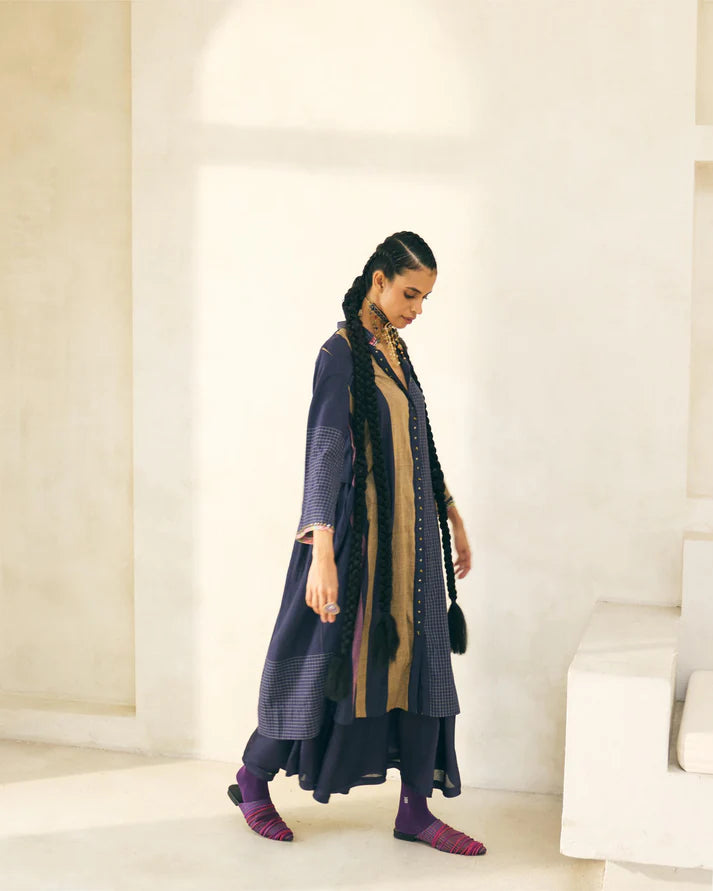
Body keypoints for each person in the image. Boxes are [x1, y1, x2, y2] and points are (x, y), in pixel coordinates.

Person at [227, 231, 486, 856]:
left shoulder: (394, 349)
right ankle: (252, 781)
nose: (416, 309)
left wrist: (451, 513)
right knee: (321, 667)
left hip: (412, 551)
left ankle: (416, 812)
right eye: (409, 294)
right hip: (353, 547)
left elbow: (418, 445)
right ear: (378, 280)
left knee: (421, 666)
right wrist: (321, 553)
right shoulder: (341, 352)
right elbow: (324, 450)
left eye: (425, 299)